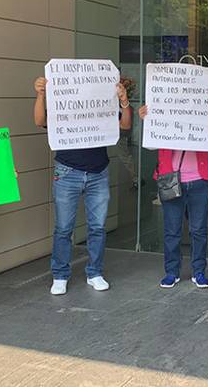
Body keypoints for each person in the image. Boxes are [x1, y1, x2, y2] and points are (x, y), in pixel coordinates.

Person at [34, 77, 132, 295]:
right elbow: (40, 120)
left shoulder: (101, 108)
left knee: (97, 227)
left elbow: (125, 125)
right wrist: (41, 94)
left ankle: (95, 272)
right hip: (68, 170)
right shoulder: (65, 108)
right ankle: (60, 275)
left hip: (98, 171)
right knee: (63, 228)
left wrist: (124, 102)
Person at [137, 85, 208, 289]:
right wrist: (148, 120)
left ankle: (199, 271)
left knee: (198, 229)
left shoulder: (203, 111)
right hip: (172, 179)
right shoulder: (165, 111)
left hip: (201, 180)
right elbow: (151, 144)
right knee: (172, 230)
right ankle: (171, 272)